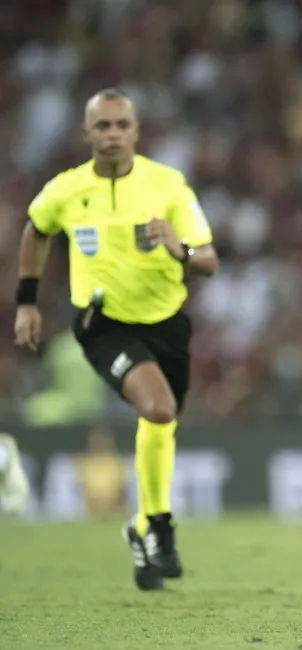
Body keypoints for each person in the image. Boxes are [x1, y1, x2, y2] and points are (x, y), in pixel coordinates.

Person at [13, 89, 219, 592]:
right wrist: (27, 301)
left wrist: (179, 247)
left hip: (167, 323)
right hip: (103, 323)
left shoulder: (166, 185)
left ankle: (143, 525)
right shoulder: (65, 190)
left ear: (136, 131)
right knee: (158, 408)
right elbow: (36, 229)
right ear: (86, 134)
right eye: (101, 126)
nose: (111, 134)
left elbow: (208, 260)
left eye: (120, 125)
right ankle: (162, 527)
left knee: (162, 422)